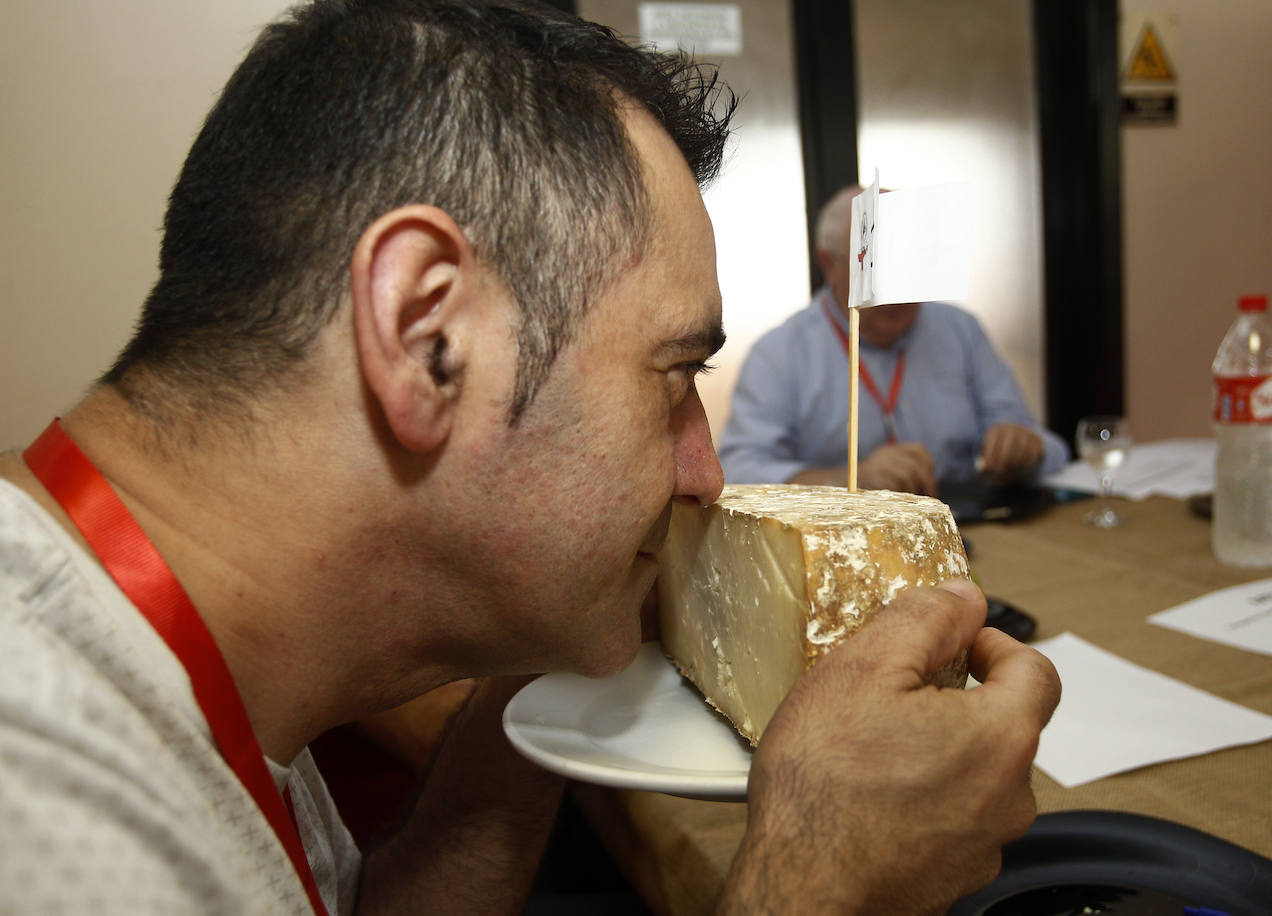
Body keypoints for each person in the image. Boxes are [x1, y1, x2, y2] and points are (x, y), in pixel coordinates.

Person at [0, 2, 1060, 914]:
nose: (705, 472)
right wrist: (820, 884)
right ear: (428, 338)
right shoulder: (43, 803)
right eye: (675, 373)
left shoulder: (146, 655)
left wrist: (541, 658)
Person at [719, 184, 1070, 496]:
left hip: (969, 524)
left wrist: (1024, 448)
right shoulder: (780, 353)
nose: (899, 290)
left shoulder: (961, 330)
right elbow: (739, 472)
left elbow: (1049, 448)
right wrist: (849, 481)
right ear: (829, 264)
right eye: (877, 269)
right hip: (844, 538)